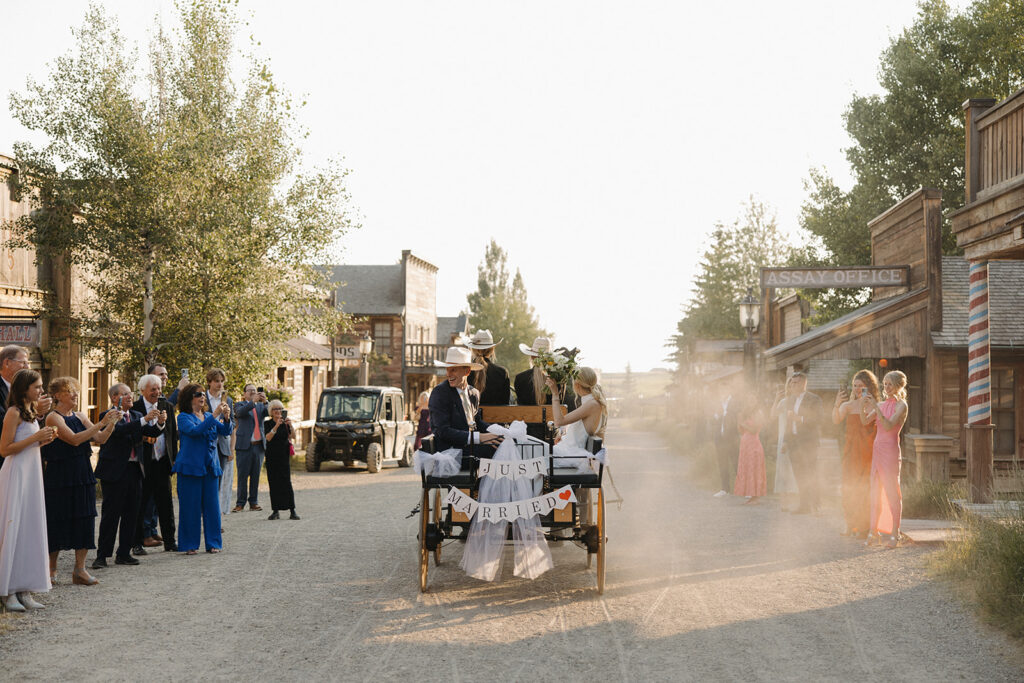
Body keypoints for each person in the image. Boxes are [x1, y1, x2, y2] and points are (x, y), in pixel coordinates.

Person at [43, 377, 118, 586]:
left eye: (76, 391)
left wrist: (111, 424)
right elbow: (75, 439)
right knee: (57, 519)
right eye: (70, 392)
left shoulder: (80, 415)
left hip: (82, 472)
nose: (75, 395)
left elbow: (100, 438)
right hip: (60, 475)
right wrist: (101, 423)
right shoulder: (53, 417)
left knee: (84, 518)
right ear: (57, 395)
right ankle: (51, 569)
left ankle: (80, 569)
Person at [0, 369, 57, 611]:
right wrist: (35, 439)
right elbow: (5, 449)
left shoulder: (32, 413)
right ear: (24, 389)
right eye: (37, 387)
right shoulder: (13, 413)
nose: (41, 391)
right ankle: (8, 590)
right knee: (15, 526)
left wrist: (45, 439)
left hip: (33, 473)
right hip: (17, 474)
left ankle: (25, 588)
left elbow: (31, 444)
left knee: (29, 527)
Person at [92, 384, 163, 569]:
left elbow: (150, 432)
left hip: (134, 470)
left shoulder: (138, 416)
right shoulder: (107, 415)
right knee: (111, 515)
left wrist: (160, 422)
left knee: (132, 513)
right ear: (115, 398)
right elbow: (121, 430)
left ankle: (124, 552)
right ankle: (102, 555)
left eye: (130, 393)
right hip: (115, 471)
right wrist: (144, 420)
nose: (130, 396)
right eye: (125, 394)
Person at [546, 366, 608, 533]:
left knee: (529, 452)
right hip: (569, 449)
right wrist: (563, 436)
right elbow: (576, 429)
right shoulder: (588, 401)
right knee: (532, 448)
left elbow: (559, 421)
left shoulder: (592, 404)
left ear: (577, 384)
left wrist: (555, 393)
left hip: (572, 454)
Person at [175, 383, 232, 554]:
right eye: (198, 394)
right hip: (190, 467)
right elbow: (195, 431)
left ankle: (214, 542)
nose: (202, 397)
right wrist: (215, 415)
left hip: (210, 466)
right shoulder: (183, 417)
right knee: (190, 507)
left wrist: (227, 418)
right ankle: (189, 544)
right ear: (189, 398)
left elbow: (226, 431)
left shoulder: (208, 415)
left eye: (203, 395)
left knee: (212, 507)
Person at [132, 374, 179, 554]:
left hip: (162, 462)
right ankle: (136, 543)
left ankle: (170, 541)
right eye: (153, 389)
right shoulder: (136, 409)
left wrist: (173, 458)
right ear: (143, 390)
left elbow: (173, 436)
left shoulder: (166, 406)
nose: (156, 392)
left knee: (166, 504)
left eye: (158, 389)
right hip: (143, 463)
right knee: (140, 504)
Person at [861, 370, 908, 548]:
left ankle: (895, 533)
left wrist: (877, 408)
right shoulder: (880, 404)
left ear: (897, 385)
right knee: (875, 492)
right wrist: (863, 405)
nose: (886, 387)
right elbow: (865, 422)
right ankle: (874, 531)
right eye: (884, 383)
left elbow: (888, 426)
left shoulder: (901, 405)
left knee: (891, 492)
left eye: (889, 384)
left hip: (890, 450)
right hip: (877, 449)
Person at [833, 370, 879, 538]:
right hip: (851, 450)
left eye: (861, 386)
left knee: (865, 489)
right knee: (849, 486)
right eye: (855, 385)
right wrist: (837, 403)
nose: (857, 388)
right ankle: (850, 524)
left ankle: (864, 526)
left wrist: (870, 403)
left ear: (869, 387)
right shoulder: (848, 405)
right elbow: (836, 420)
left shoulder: (874, 405)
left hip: (869, 450)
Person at [428, 347, 501, 454]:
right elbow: (443, 431)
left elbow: (477, 422)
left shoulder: (474, 393)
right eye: (447, 369)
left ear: (467, 371)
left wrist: (499, 432)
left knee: (505, 443)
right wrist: (480, 437)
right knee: (495, 450)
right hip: (450, 451)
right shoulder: (440, 393)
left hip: (470, 447)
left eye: (453, 369)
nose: (448, 374)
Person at [514, 337, 577, 440]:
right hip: (551, 435)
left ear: (531, 356)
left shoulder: (520, 379)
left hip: (527, 437)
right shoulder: (558, 380)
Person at [784, 371, 823, 514]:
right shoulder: (790, 400)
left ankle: (816, 505)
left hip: (809, 442)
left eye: (796, 383)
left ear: (803, 383)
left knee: (812, 473)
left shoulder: (814, 399)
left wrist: (799, 418)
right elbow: (787, 423)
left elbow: (819, 418)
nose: (792, 385)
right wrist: (785, 442)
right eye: (792, 382)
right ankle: (804, 505)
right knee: (799, 474)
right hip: (794, 442)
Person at [203, 369, 235, 520]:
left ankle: (214, 517)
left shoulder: (227, 400)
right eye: (216, 381)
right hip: (204, 446)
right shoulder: (201, 398)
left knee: (218, 483)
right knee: (205, 483)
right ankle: (204, 514)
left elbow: (231, 426)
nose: (219, 384)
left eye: (221, 381)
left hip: (221, 446)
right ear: (209, 382)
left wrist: (227, 419)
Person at [232, 384, 268, 512]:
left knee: (255, 475)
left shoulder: (260, 406)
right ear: (244, 394)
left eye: (255, 390)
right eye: (250, 390)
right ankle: (240, 503)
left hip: (258, 446)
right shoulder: (239, 405)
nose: (253, 392)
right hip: (244, 446)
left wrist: (265, 401)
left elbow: (269, 412)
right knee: (242, 476)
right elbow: (240, 414)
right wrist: (252, 402)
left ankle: (254, 502)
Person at [264, 400, 298, 520]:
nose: (278, 411)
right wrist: (277, 425)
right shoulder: (267, 423)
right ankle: (275, 510)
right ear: (271, 412)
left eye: (280, 409)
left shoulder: (285, 423)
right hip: (272, 456)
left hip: (283, 456)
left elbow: (293, 436)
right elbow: (268, 437)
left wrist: (290, 425)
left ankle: (292, 510)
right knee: (273, 483)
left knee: (286, 482)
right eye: (276, 409)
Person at [0, 345, 32, 474]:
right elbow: (3, 421)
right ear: (7, 362)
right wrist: (29, 412)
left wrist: (38, 414)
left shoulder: (26, 389)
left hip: (23, 460)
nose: (27, 367)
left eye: (28, 363)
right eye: (23, 362)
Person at [770, 376, 800, 509]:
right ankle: (784, 501)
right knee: (783, 469)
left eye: (795, 384)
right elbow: (772, 415)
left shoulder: (799, 401)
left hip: (795, 438)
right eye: (790, 384)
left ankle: (795, 500)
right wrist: (776, 399)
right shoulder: (784, 402)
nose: (792, 386)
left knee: (794, 469)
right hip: (784, 437)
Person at [465, 330, 512, 406]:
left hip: (471, 417)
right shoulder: (502, 372)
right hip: (497, 417)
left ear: (473, 349)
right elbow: (505, 403)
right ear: (492, 350)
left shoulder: (465, 372)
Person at [733, 400, 767, 504]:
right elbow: (741, 430)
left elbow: (754, 430)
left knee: (754, 469)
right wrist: (739, 422)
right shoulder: (746, 414)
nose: (749, 403)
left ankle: (756, 496)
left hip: (754, 444)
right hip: (745, 444)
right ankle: (751, 495)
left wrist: (743, 424)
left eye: (752, 400)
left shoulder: (759, 413)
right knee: (747, 469)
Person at [712, 379, 740, 498]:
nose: (722, 391)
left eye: (724, 389)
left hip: (732, 437)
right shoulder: (718, 403)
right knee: (722, 464)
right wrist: (717, 414)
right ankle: (725, 489)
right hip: (720, 438)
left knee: (736, 464)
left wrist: (725, 413)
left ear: (729, 390)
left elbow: (736, 417)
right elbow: (714, 418)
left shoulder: (735, 402)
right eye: (720, 390)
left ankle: (741, 488)